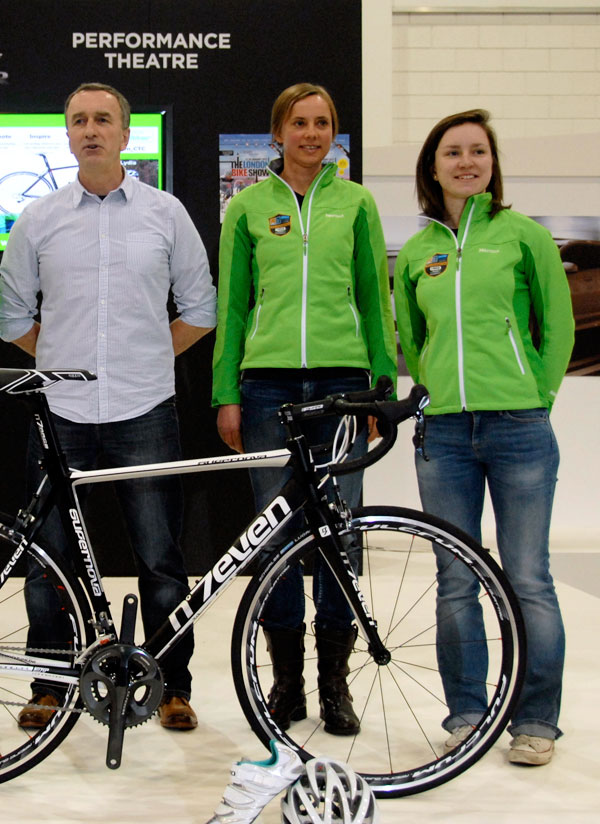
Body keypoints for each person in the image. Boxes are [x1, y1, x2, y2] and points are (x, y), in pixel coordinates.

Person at [0, 82, 217, 731]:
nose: (90, 130)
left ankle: (172, 684)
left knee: (160, 556)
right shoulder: (38, 219)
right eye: (78, 121)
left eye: (103, 120)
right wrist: (64, 359)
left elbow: (201, 310)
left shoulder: (166, 214)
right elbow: (14, 318)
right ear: (67, 135)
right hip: (60, 413)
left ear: (126, 134)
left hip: (143, 407)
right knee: (49, 556)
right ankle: (47, 682)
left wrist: (148, 356)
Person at [212, 83, 396, 736]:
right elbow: (231, 307)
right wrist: (225, 392)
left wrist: (380, 388)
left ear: (334, 134)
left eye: (323, 123)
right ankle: (286, 683)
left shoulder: (357, 204)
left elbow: (376, 300)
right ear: (277, 134)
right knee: (279, 533)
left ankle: (333, 683)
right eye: (300, 122)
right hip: (265, 388)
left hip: (343, 385)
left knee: (340, 531)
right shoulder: (249, 207)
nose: (312, 133)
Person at [393, 109, 573, 766]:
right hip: (443, 436)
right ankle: (468, 712)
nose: (466, 162)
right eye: (453, 153)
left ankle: (536, 721)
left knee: (528, 577)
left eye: (478, 152)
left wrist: (537, 396)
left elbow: (557, 330)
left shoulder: (523, 236)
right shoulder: (418, 252)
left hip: (520, 428)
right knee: (455, 579)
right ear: (432, 167)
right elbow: (412, 336)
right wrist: (436, 393)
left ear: (492, 164)